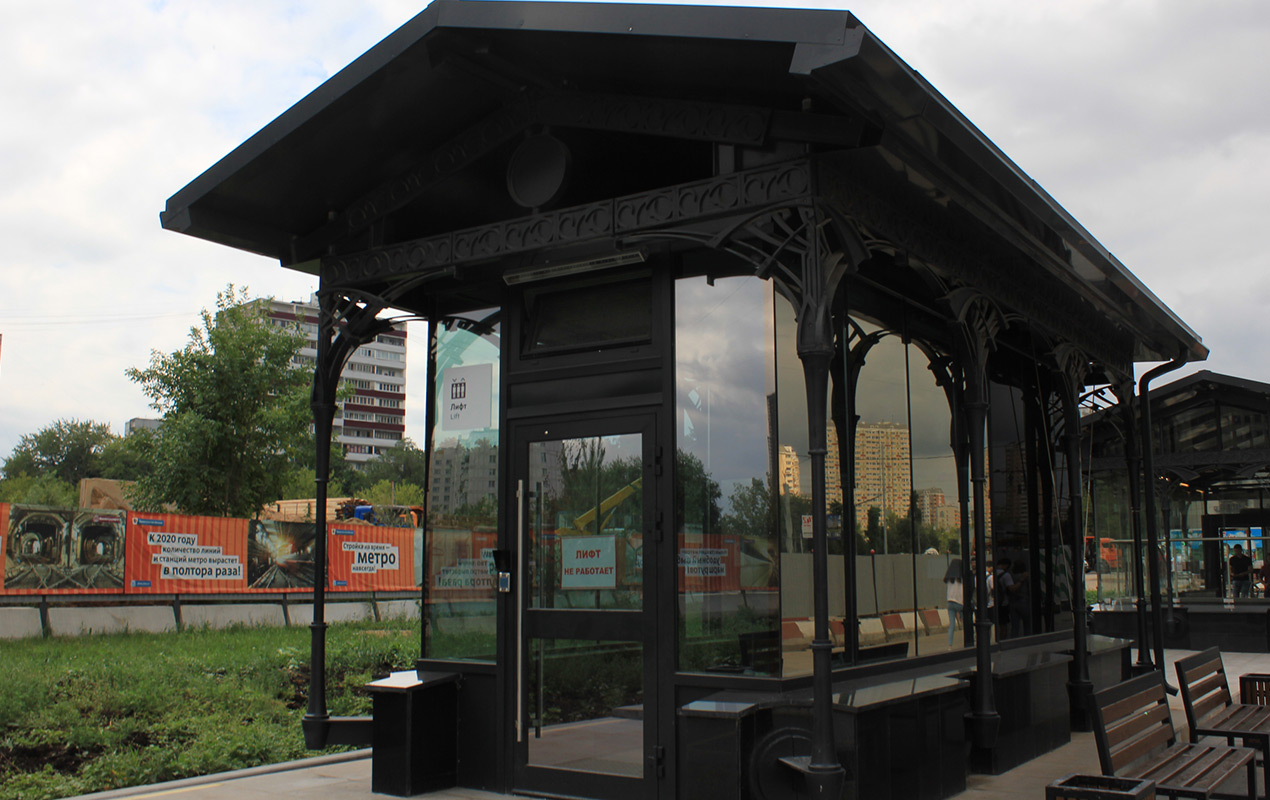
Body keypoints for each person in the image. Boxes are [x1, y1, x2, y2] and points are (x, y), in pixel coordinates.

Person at [944, 558, 964, 647]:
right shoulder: (961, 578)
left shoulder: (949, 579)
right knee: (966, 622)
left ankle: (950, 645)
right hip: (959, 603)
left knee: (952, 625)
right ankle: (971, 638)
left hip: (949, 602)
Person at [995, 557, 1016, 640]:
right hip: (1003, 603)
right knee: (1003, 626)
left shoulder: (990, 573)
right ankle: (1002, 641)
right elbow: (1011, 588)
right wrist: (1021, 581)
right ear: (1006, 565)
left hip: (992, 603)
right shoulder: (1006, 575)